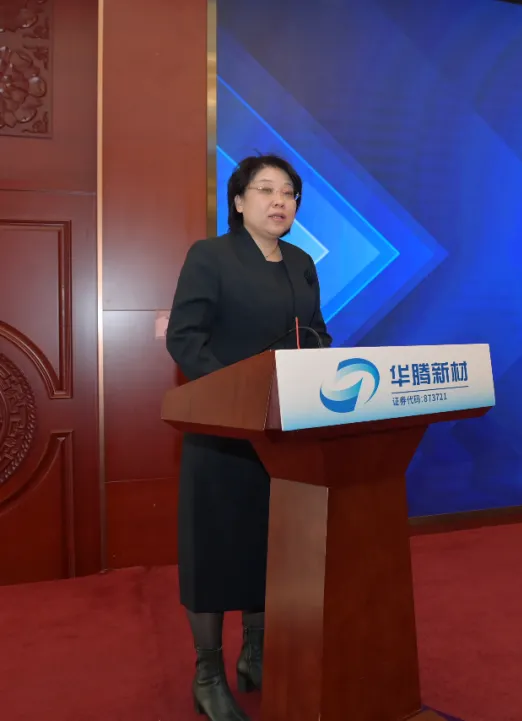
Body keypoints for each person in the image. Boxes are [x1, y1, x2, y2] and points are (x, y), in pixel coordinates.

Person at [165, 154, 332, 720]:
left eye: (289, 192)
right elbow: (186, 338)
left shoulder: (301, 263)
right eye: (265, 189)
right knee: (215, 550)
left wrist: (321, 368)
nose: (279, 200)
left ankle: (255, 654)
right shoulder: (210, 256)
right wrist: (235, 398)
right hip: (224, 428)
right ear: (238, 202)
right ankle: (208, 674)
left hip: (284, 432)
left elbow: (316, 333)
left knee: (270, 547)